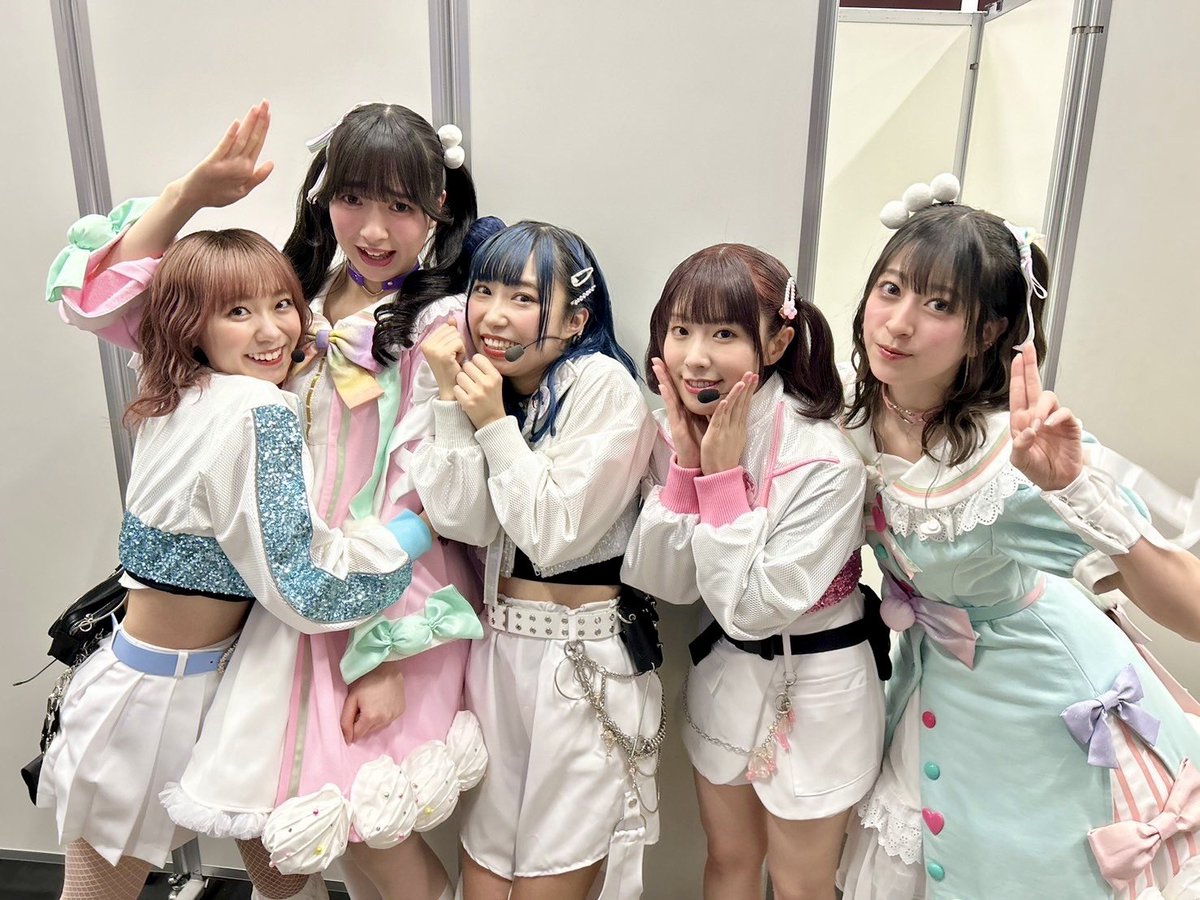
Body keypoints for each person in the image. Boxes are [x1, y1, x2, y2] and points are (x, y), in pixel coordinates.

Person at [47, 101, 492, 900]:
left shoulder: (438, 327)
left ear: (438, 207)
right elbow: (110, 304)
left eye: (401, 205)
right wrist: (189, 196)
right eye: (353, 197)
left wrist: (382, 653)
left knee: (360, 837)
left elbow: (421, 500)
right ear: (324, 196)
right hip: (276, 613)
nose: (375, 229)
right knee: (299, 843)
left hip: (369, 603)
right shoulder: (292, 295)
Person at [836, 184, 1200, 899]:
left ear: (988, 332)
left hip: (1039, 707)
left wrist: (1073, 489)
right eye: (891, 289)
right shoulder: (855, 418)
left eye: (939, 305)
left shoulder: (1009, 460)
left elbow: (1191, 607)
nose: (898, 324)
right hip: (930, 686)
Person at [621, 244, 887, 900]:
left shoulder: (825, 459)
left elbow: (755, 608)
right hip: (730, 677)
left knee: (801, 884)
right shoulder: (677, 431)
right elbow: (664, 582)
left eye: (724, 334)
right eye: (681, 330)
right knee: (728, 861)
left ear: (777, 342)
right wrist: (686, 469)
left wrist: (718, 485)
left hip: (819, 684)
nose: (696, 357)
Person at [412, 221, 663, 900]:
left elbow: (552, 534)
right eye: (484, 291)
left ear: (576, 320)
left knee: (548, 875)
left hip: (580, 663)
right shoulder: (497, 386)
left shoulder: (602, 386)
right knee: (485, 869)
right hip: (499, 653)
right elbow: (463, 520)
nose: (493, 315)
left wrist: (493, 424)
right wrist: (449, 402)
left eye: (523, 298)